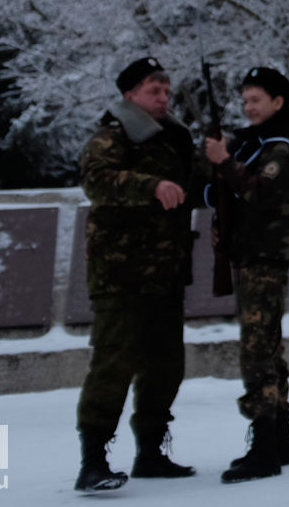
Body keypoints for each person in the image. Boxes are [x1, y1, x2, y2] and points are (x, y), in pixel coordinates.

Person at [74, 56, 211, 492]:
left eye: (167, 91)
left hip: (166, 272)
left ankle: (151, 452)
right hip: (121, 274)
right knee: (114, 363)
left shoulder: (172, 137)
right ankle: (93, 460)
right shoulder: (111, 137)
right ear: (130, 94)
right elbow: (97, 181)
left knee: (165, 366)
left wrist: (214, 159)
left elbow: (196, 186)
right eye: (154, 91)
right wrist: (150, 185)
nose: (163, 98)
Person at [202, 66, 289, 483]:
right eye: (245, 100)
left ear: (278, 103)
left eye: (256, 101)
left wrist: (225, 161)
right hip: (251, 254)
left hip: (266, 257)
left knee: (257, 351)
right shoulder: (258, 142)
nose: (248, 108)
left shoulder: (283, 146)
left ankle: (265, 446)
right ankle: (279, 440)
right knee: (267, 347)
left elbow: (259, 193)